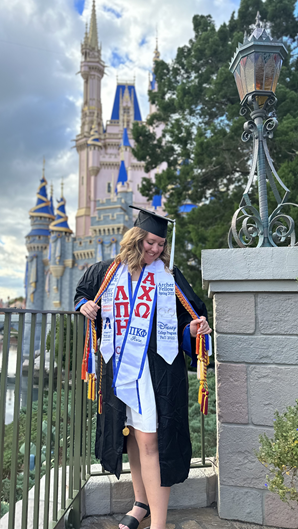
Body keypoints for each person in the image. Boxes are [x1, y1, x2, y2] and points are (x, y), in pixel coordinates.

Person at [74, 206, 212, 529]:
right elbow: (82, 292)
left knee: (152, 442)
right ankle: (140, 504)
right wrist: (86, 306)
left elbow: (187, 319)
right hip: (121, 372)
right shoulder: (109, 272)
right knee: (134, 439)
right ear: (136, 239)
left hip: (156, 376)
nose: (156, 249)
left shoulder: (167, 277)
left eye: (160, 245)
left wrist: (193, 331)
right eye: (150, 242)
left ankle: (158, 524)